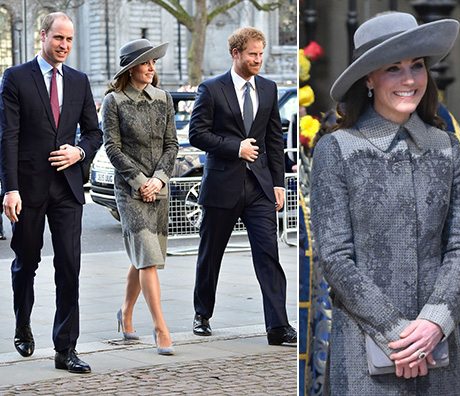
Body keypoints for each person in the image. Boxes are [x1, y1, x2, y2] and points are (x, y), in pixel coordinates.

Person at [310, 12, 460, 395]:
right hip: (364, 356)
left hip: (438, 352)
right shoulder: (336, 150)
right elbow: (335, 257)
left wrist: (434, 324)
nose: (409, 80)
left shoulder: (447, 148)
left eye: (416, 66)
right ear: (368, 78)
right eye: (393, 69)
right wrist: (398, 334)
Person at [0, 12, 102, 373]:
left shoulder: (79, 80)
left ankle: (65, 348)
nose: (64, 45)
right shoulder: (15, 78)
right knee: (26, 262)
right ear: (42, 36)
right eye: (58, 38)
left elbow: (94, 132)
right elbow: (7, 137)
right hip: (27, 189)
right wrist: (10, 189)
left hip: (68, 189)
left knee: (70, 267)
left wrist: (79, 151)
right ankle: (23, 323)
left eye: (70, 40)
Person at [188, 26, 296, 345]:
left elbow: (274, 139)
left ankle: (277, 326)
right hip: (222, 185)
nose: (258, 60)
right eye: (252, 54)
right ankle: (202, 314)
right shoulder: (211, 89)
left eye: (261, 54)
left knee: (268, 255)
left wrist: (278, 183)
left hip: (260, 188)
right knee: (211, 255)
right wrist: (236, 147)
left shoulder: (269, 88)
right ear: (236, 54)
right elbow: (196, 134)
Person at [101, 39, 179, 355]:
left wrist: (158, 180)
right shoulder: (114, 102)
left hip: (159, 189)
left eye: (153, 63)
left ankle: (126, 312)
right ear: (131, 67)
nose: (152, 68)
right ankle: (161, 328)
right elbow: (112, 148)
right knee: (147, 256)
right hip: (130, 192)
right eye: (146, 63)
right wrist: (139, 181)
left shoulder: (164, 99)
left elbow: (172, 145)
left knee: (145, 259)